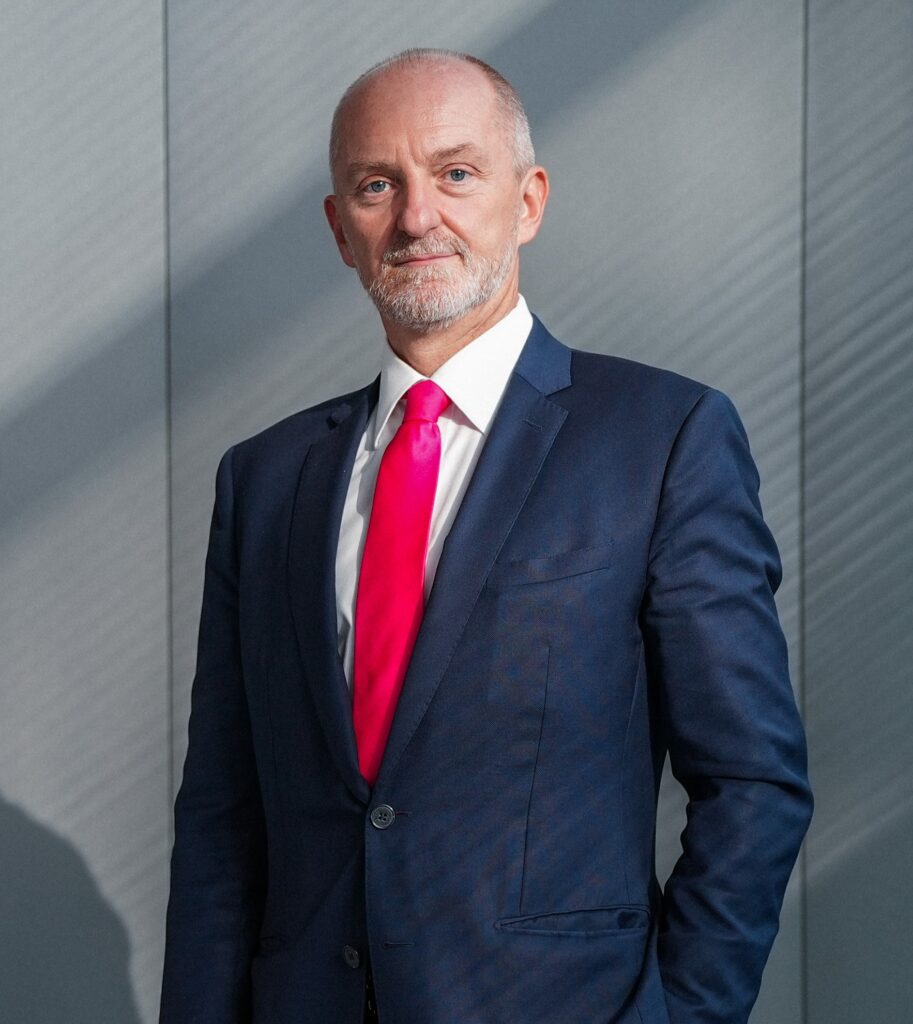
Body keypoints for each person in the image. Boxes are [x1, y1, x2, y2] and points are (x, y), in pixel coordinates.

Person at [160, 49, 813, 1024]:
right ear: (340, 230)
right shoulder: (264, 480)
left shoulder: (660, 439)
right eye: (377, 186)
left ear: (528, 201)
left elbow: (752, 783)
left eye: (456, 173)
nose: (416, 216)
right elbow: (223, 813)